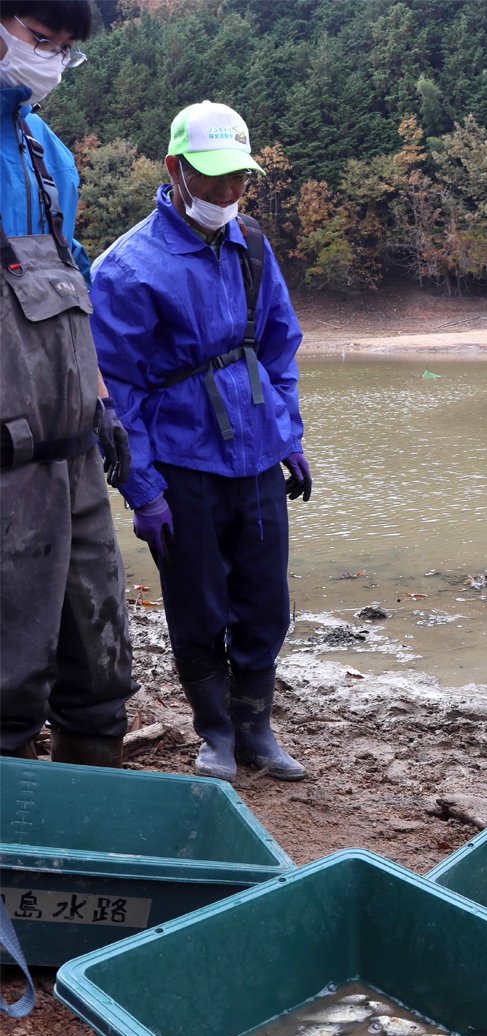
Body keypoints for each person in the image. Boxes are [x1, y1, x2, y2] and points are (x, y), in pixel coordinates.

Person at [90, 101, 310, 782]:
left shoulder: (253, 246)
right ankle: (214, 732)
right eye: (211, 178)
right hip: (181, 465)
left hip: (255, 457)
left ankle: (256, 730)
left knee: (265, 602)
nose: (225, 193)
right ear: (174, 169)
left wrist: (290, 433)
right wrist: (143, 489)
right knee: (198, 606)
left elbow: (278, 345)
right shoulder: (126, 268)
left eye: (237, 179)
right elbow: (116, 393)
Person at [0, 0, 135, 766]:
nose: (49, 59)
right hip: (2, 465)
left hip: (73, 451)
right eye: (37, 38)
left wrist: (104, 400)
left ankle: (92, 828)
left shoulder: (49, 154)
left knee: (98, 662)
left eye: (64, 48)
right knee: (5, 685)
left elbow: (71, 282)